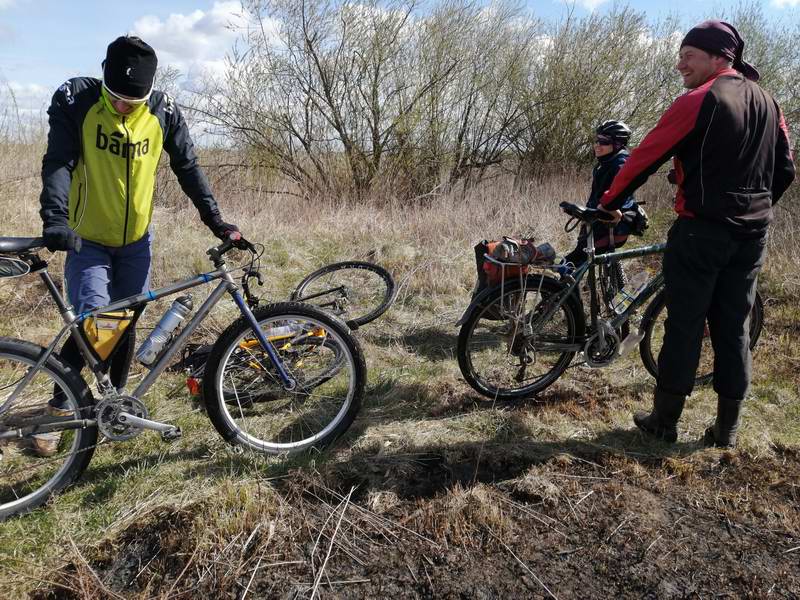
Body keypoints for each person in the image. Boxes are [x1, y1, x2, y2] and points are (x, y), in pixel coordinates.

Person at [34, 36, 240, 455]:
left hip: (136, 243)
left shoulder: (162, 111)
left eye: (135, 99)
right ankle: (57, 409)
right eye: (117, 97)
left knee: (125, 318)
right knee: (97, 322)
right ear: (104, 77)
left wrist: (217, 222)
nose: (126, 105)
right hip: (86, 238)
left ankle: (115, 403)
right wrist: (55, 219)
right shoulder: (79, 101)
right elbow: (59, 160)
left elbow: (188, 167)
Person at [598, 20, 795, 447]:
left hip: (701, 233)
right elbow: (785, 170)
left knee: (685, 325)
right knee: (733, 328)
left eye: (688, 56)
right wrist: (754, 208)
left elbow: (645, 155)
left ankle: (663, 422)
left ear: (719, 57)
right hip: (752, 237)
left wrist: (608, 203)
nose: (679, 65)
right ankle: (727, 431)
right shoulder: (770, 103)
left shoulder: (699, 98)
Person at [563, 120, 637, 268]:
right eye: (597, 140)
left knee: (569, 265)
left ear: (617, 144)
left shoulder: (620, 165)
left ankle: (563, 290)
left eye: (603, 142)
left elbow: (617, 200)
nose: (597, 145)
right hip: (599, 223)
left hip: (612, 228)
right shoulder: (606, 162)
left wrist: (604, 212)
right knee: (572, 263)